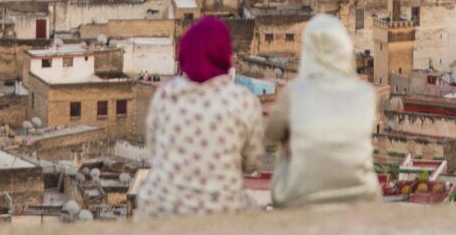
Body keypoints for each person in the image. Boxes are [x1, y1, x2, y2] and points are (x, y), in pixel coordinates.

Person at [138, 15, 262, 219]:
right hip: (223, 209)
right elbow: (252, 163)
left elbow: (153, 151)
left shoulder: (166, 95)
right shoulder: (243, 101)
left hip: (161, 209)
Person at [267, 13, 381, 209]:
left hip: (299, 197)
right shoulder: (366, 93)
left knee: (285, 142)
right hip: (363, 194)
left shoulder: (294, 92)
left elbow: (271, 133)